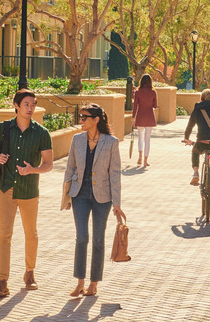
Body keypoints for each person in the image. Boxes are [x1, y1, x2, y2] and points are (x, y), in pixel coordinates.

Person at [0, 88, 53, 298]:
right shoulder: (4, 128)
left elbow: (49, 163)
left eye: (33, 104)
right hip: (6, 188)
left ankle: (30, 273)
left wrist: (33, 169)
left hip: (29, 190)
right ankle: (2, 281)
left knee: (30, 233)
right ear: (16, 105)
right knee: (4, 234)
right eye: (27, 104)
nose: (31, 108)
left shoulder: (41, 133)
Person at [63, 103, 126, 298]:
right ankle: (80, 282)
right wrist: (66, 196)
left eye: (84, 117)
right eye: (80, 116)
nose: (80, 120)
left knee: (98, 239)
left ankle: (94, 283)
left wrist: (117, 203)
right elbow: (70, 168)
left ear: (96, 120)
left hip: (103, 197)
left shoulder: (111, 142)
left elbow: (115, 173)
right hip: (80, 194)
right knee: (82, 238)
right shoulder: (77, 140)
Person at [131, 74, 158, 167]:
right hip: (150, 117)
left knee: (140, 138)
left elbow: (135, 106)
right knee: (147, 140)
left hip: (140, 116)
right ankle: (145, 160)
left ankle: (140, 157)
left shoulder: (138, 92)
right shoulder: (153, 92)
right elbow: (155, 106)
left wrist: (133, 117)